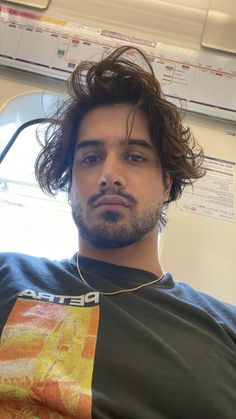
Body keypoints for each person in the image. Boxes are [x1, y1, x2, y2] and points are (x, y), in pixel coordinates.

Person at [0, 46, 235, 418]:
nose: (110, 174)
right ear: (70, 183)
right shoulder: (8, 275)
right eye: (90, 158)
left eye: (135, 157)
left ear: (166, 183)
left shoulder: (226, 328)